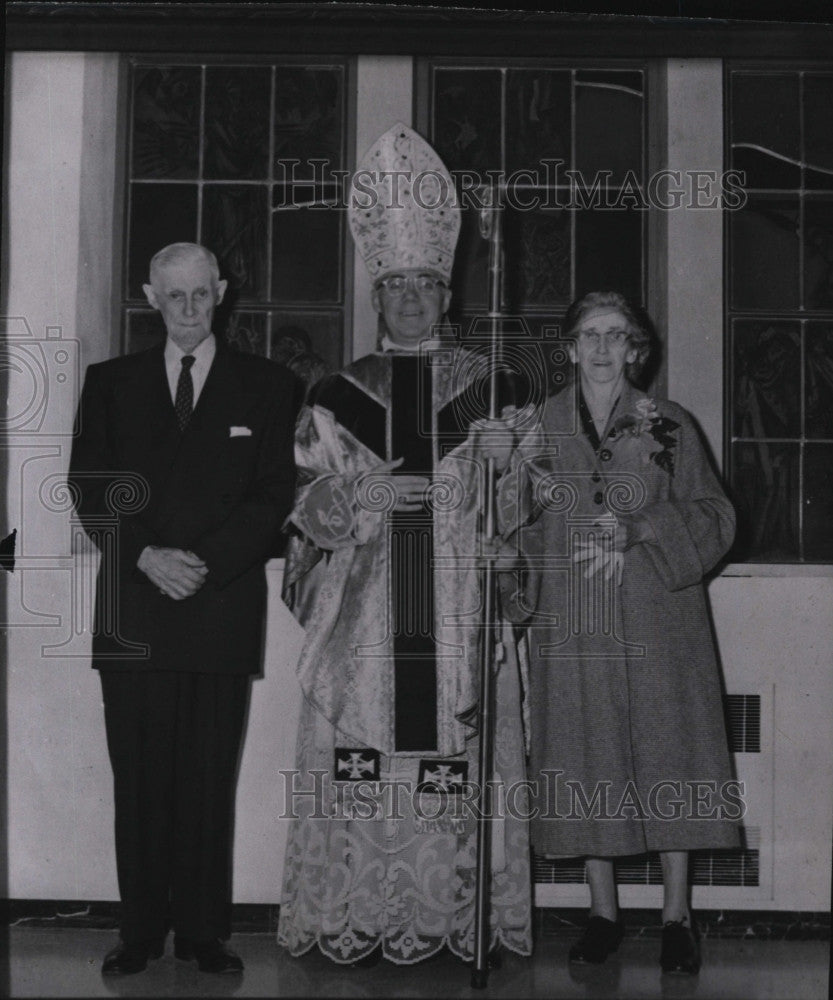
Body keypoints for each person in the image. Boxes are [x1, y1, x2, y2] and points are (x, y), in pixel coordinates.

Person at [277, 123, 533, 965]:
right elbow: (300, 510)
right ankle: (358, 911)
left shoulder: (492, 390)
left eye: (425, 284)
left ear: (446, 294)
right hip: (366, 621)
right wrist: (357, 495)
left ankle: (443, 917)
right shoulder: (335, 394)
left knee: (442, 771)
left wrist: (510, 468)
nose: (413, 300)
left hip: (453, 609)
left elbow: (526, 514)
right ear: (377, 296)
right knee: (362, 767)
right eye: (396, 287)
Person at [68, 242, 296, 976]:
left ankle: (203, 933)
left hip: (218, 606)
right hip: (135, 606)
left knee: (206, 780)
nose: (190, 309)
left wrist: (206, 564)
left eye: (202, 294)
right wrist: (143, 555)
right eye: (175, 296)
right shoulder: (110, 383)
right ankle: (139, 933)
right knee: (138, 781)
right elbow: (88, 483)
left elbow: (272, 495)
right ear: (150, 297)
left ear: (222, 292)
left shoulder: (268, 385)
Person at [496, 291, 739, 975]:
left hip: (658, 616)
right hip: (574, 622)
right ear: (569, 347)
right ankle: (602, 911)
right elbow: (516, 526)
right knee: (583, 751)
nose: (602, 348)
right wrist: (510, 552)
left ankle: (676, 916)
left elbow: (715, 516)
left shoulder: (666, 425)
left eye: (616, 335)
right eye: (588, 335)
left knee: (672, 752)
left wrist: (642, 530)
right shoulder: (536, 429)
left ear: (634, 347)